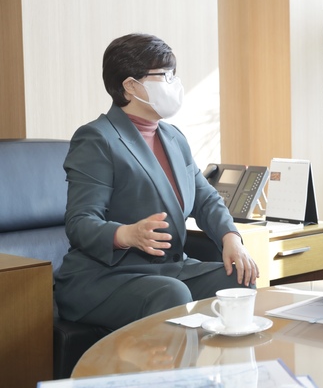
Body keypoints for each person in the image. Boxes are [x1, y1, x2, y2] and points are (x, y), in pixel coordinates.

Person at [55, 33, 259, 330]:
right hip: (105, 276)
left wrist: (231, 239)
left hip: (169, 269)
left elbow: (205, 199)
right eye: (164, 75)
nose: (173, 83)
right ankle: (180, 362)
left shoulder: (173, 137)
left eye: (173, 74)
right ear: (130, 85)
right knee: (172, 293)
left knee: (240, 279)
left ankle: (217, 360)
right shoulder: (97, 138)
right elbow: (79, 222)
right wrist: (126, 234)